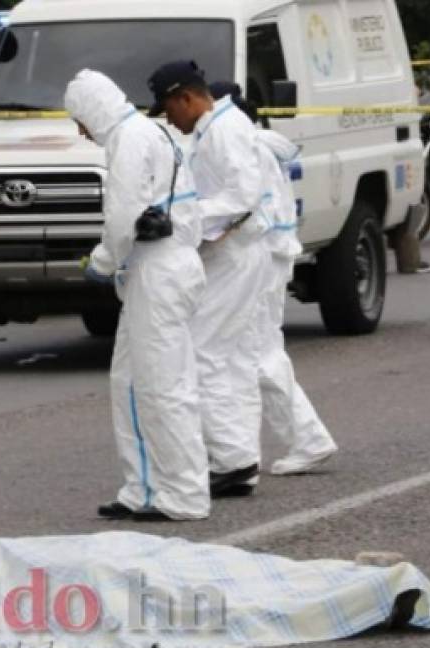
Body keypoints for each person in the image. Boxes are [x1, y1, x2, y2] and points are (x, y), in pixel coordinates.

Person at [63, 69, 210, 522]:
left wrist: (102, 261)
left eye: (79, 119)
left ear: (93, 110)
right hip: (163, 267)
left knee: (163, 387)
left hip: (158, 271)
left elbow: (124, 211)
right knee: (128, 383)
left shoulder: (130, 140)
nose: (79, 130)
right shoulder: (152, 134)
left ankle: (183, 493)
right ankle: (142, 487)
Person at [147, 62, 270, 498]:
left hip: (233, 254)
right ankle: (239, 459)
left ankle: (232, 460)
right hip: (231, 253)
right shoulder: (212, 128)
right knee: (231, 358)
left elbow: (242, 197)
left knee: (203, 355)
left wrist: (182, 217)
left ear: (186, 98)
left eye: (167, 109)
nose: (167, 119)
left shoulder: (223, 129)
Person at [208, 81, 338, 475]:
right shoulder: (262, 143)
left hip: (259, 257)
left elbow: (240, 210)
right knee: (257, 353)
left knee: (257, 355)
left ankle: (303, 440)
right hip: (273, 254)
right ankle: (296, 440)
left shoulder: (244, 147)